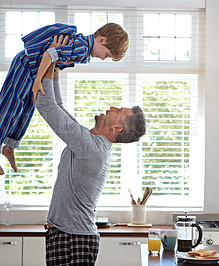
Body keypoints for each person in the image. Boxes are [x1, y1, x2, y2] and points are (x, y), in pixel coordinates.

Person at [35, 40, 146, 265]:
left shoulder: (90, 147)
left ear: (117, 128)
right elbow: (60, 109)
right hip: (70, 234)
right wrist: (54, 66)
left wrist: (50, 56)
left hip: (72, 237)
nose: (112, 107)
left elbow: (46, 106)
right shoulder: (92, 143)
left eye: (118, 110)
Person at [0, 23, 129, 175]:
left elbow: (55, 60)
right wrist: (38, 79)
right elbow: (49, 54)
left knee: (27, 108)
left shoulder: (83, 50)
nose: (104, 58)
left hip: (32, 68)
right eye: (107, 55)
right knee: (11, 104)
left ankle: (10, 145)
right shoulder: (82, 47)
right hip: (25, 64)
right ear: (102, 40)